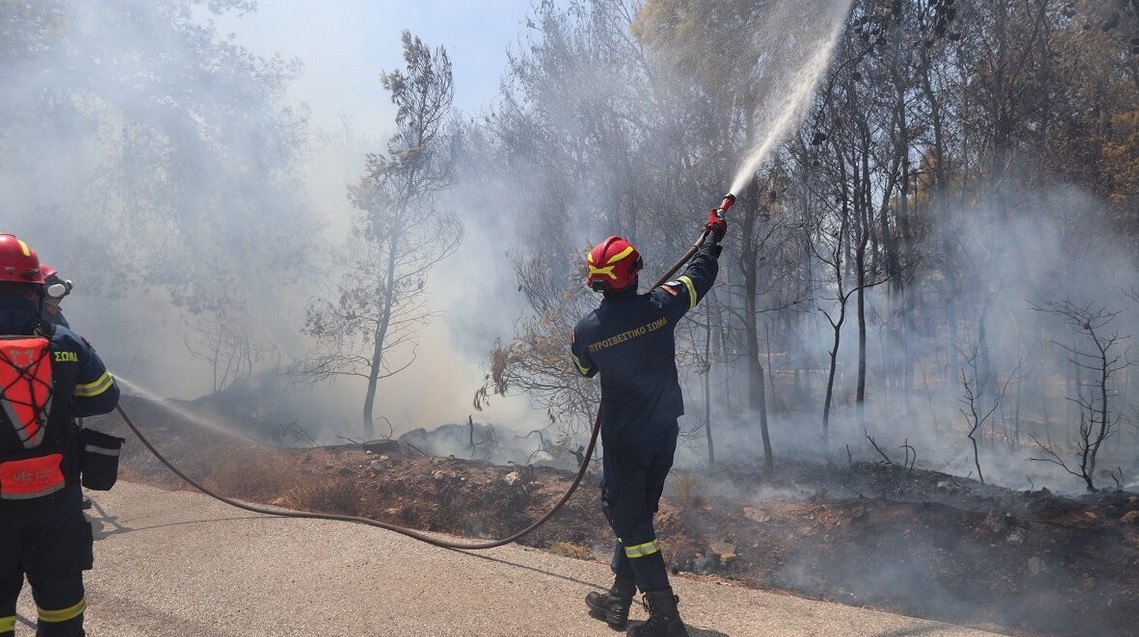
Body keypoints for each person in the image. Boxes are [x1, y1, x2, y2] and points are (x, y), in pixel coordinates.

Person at [571, 209, 727, 637]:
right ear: (634, 275)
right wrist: (711, 237)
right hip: (663, 433)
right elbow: (699, 277)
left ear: (595, 281)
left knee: (629, 519)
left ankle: (665, 618)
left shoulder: (586, 330)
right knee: (637, 514)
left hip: (625, 441)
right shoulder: (661, 306)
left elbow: (584, 371)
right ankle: (619, 601)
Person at [0, 234, 120, 637]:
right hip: (56, 503)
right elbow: (105, 398)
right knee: (62, 609)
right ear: (37, 289)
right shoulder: (63, 341)